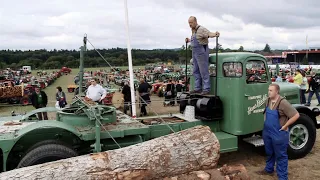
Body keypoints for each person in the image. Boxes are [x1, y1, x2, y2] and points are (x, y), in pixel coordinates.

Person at [257, 84, 299, 180]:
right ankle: (269, 169)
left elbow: (296, 115)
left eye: (271, 90)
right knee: (269, 152)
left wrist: (285, 126)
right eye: (268, 90)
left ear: (277, 92)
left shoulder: (283, 103)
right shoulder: (267, 100)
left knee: (280, 155)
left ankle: (282, 177)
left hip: (278, 133)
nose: (269, 92)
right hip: (267, 132)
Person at [185, 16, 219, 95]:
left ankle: (206, 89)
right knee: (195, 71)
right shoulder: (193, 30)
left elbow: (209, 34)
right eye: (189, 23)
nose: (190, 24)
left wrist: (215, 34)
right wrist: (189, 40)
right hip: (194, 51)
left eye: (191, 23)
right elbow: (197, 38)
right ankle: (197, 88)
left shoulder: (201, 29)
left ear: (195, 22)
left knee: (203, 71)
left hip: (201, 51)